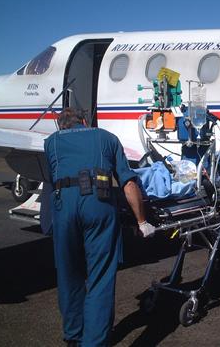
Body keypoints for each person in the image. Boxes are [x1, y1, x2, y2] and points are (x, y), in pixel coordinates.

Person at [44, 107, 155, 347]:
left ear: (61, 125)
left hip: (64, 206)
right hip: (98, 203)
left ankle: (74, 336)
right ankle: (94, 342)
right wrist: (142, 221)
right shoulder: (107, 138)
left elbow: (53, 177)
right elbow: (128, 183)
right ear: (85, 120)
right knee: (100, 276)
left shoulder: (51, 142)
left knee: (69, 273)